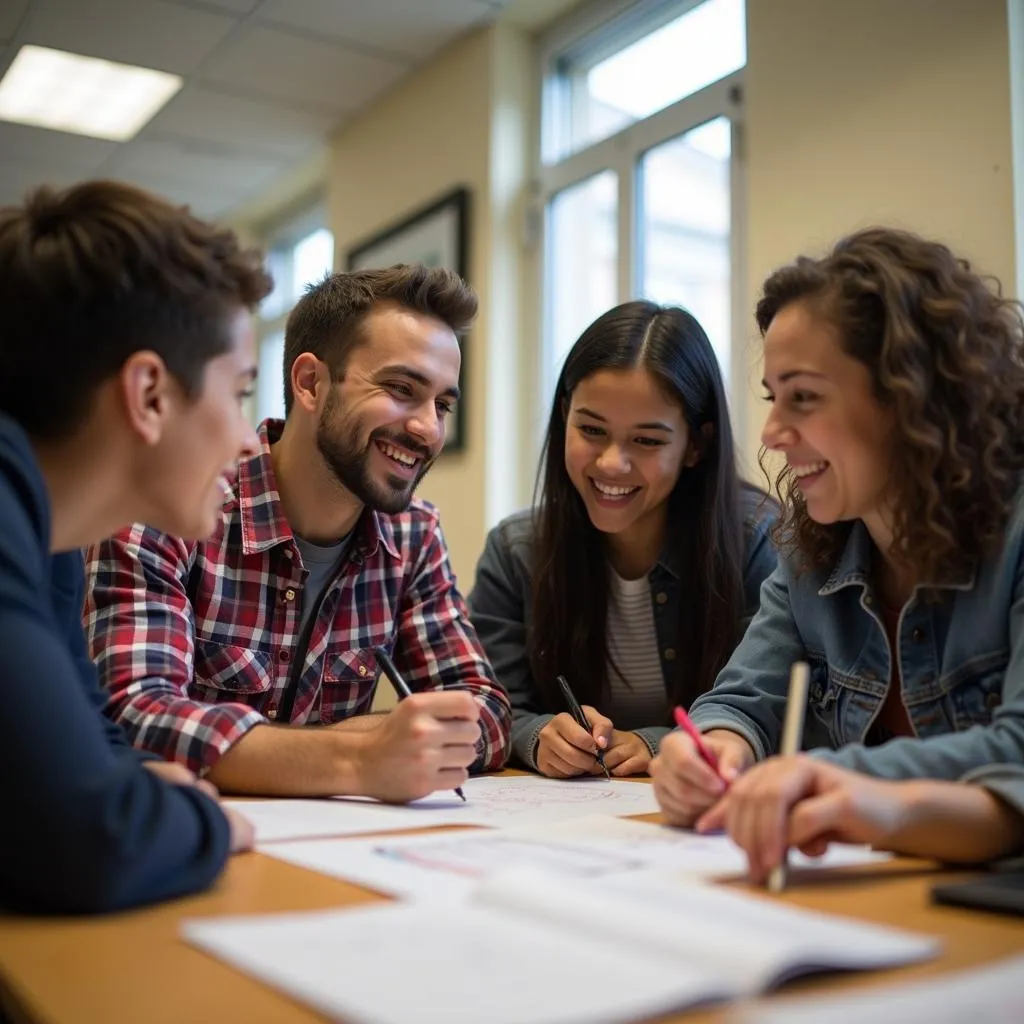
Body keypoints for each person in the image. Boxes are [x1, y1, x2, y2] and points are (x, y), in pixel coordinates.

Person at [651, 227, 1024, 863]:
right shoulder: (807, 554)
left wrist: (840, 782)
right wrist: (711, 749)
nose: (770, 434)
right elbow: (744, 701)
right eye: (774, 399)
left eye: (803, 398)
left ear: (910, 396)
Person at [85, 265, 512, 803]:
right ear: (311, 383)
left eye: (443, 404)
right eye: (402, 389)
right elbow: (133, 717)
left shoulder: (414, 534)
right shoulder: (173, 505)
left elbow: (486, 714)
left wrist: (313, 752)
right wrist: (362, 755)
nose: (429, 428)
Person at [0, 180, 268, 912]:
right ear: (150, 393)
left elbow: (97, 749)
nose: (248, 439)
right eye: (240, 391)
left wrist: (148, 789)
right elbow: (93, 838)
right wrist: (201, 819)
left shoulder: (50, 528)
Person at [469, 301, 777, 778]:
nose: (612, 463)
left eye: (648, 441)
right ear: (565, 418)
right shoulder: (516, 551)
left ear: (696, 444)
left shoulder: (757, 539)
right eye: (591, 430)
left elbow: (770, 707)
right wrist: (537, 735)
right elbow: (489, 702)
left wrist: (655, 743)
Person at [696, 757, 1024, 879]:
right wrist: (723, 744)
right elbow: (746, 693)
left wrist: (822, 769)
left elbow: (1014, 746)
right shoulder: (800, 600)